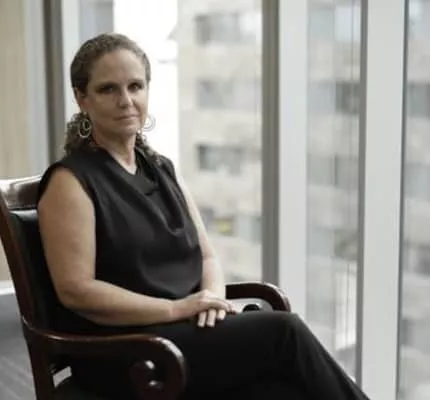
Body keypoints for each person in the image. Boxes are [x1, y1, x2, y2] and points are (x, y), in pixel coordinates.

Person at [36, 32, 370, 400]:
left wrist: (211, 301)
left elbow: (207, 256)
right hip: (127, 348)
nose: (126, 100)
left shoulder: (162, 169)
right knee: (284, 333)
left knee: (281, 390)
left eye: (135, 86)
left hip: (185, 333)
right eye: (108, 89)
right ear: (82, 98)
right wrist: (176, 308)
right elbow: (76, 290)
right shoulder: (71, 181)